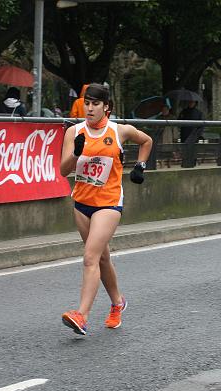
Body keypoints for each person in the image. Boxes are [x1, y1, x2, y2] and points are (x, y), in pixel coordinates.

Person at [59, 83, 152, 335]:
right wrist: (76, 153)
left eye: (95, 104)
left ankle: (82, 314)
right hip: (81, 202)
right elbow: (63, 170)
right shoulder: (74, 132)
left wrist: (140, 166)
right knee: (102, 257)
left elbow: (147, 141)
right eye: (87, 103)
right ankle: (118, 303)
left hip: (109, 202)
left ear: (106, 107)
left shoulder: (119, 131)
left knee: (90, 257)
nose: (89, 108)